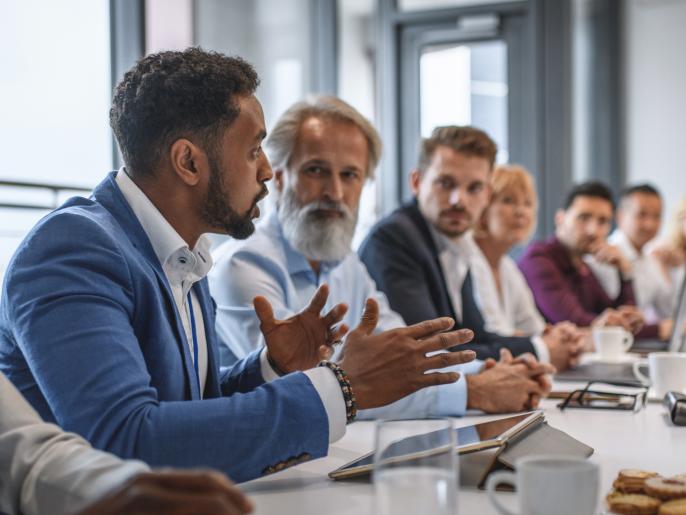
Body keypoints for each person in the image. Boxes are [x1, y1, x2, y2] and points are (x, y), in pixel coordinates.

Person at [0, 49, 476, 484]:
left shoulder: (182, 252)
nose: (268, 170)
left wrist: (270, 368)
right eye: (253, 150)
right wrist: (341, 387)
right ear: (189, 161)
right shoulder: (74, 248)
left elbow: (186, 410)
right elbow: (125, 442)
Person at [209, 97, 553, 416]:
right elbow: (309, 388)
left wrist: (495, 371)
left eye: (350, 175)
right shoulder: (244, 265)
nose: (335, 192)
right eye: (316, 170)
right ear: (280, 177)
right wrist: (472, 390)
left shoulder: (346, 262)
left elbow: (402, 351)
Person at [359, 125, 577, 363]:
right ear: (417, 182)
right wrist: (540, 350)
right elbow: (429, 350)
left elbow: (473, 336)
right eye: (445, 183)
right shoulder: (394, 239)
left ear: (486, 194)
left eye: (474, 188)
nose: (459, 200)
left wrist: (541, 343)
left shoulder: (457, 243)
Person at [0, 371, 253, 515]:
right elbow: (130, 434)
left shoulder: (190, 282)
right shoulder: (63, 277)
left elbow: (30, 461)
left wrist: (122, 487)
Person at [470, 164, 584, 370]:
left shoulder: (507, 266)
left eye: (528, 203)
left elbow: (533, 327)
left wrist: (558, 336)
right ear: (483, 208)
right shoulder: (469, 260)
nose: (521, 212)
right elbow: (492, 335)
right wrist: (548, 342)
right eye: (508, 201)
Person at [518, 181, 644, 333]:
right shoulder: (538, 260)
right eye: (583, 218)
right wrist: (659, 329)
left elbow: (615, 318)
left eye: (602, 221)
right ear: (560, 219)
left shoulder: (582, 267)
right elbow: (575, 321)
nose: (593, 231)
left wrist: (625, 272)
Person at [603, 184, 674, 340]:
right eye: (641, 215)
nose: (650, 224)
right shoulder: (605, 257)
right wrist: (659, 329)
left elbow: (668, 311)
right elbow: (610, 319)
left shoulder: (651, 260)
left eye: (657, 216)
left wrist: (666, 268)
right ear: (620, 217)